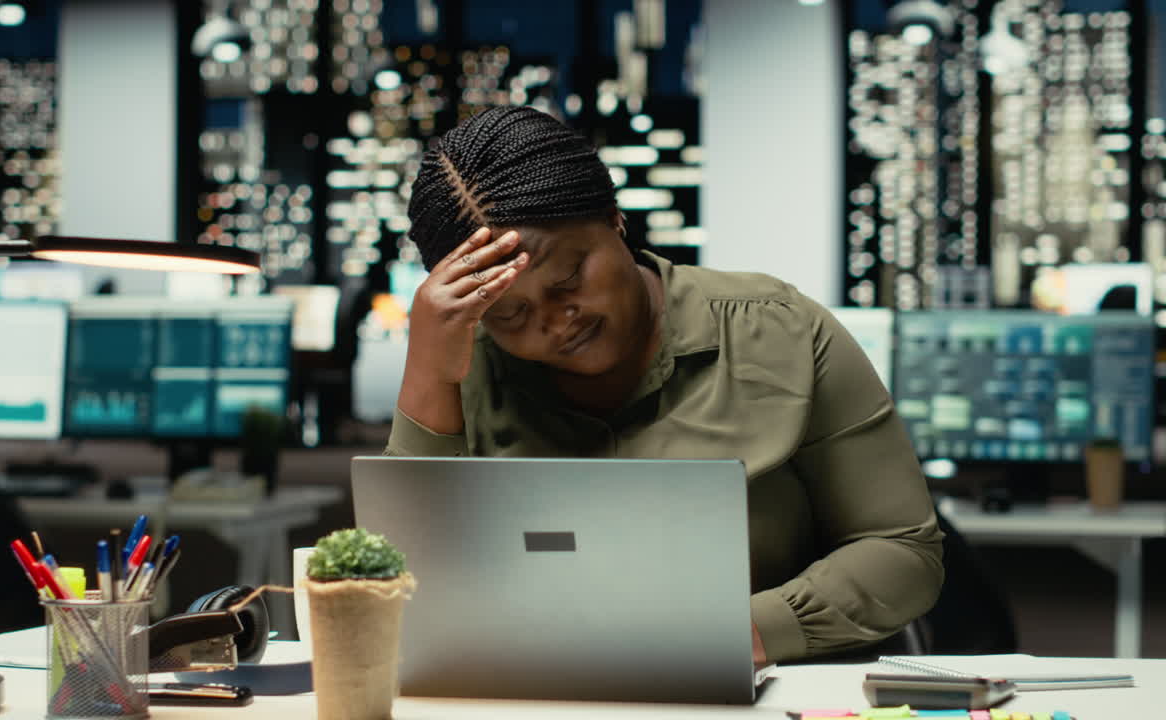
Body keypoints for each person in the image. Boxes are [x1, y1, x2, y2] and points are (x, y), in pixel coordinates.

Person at [386, 105, 944, 665]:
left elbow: (903, 549)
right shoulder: (465, 368)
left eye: (569, 278)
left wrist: (734, 635)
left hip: (770, 688)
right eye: (510, 314)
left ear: (614, 220)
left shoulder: (781, 331)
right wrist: (428, 370)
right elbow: (400, 596)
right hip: (534, 691)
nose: (555, 322)